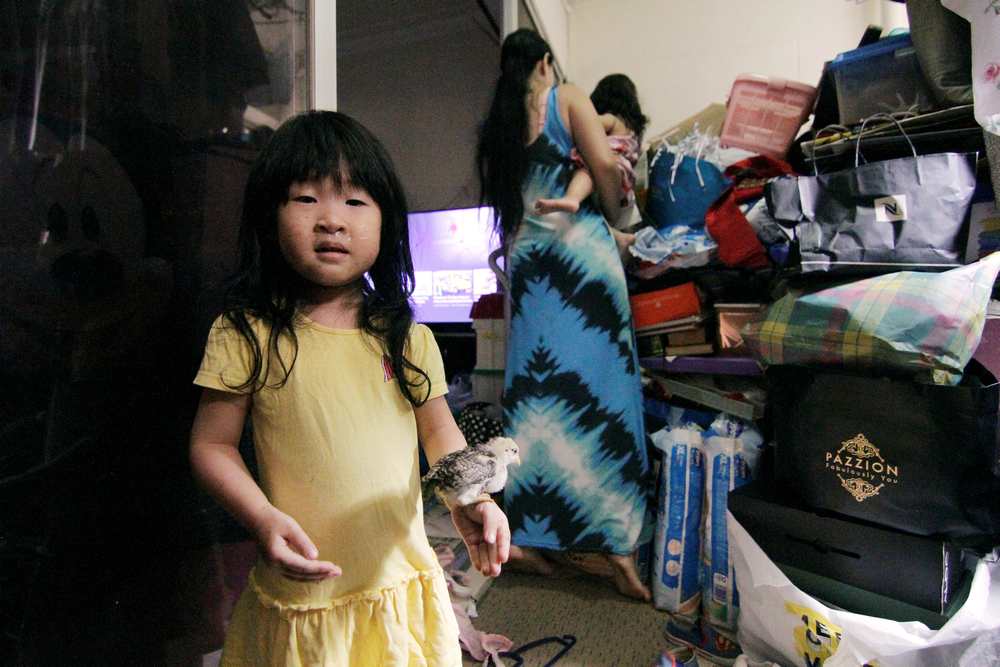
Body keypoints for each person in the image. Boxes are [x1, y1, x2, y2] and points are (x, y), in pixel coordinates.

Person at [189, 110, 510, 666]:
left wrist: (470, 498)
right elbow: (211, 445)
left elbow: (439, 431)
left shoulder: (406, 337)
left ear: (386, 223)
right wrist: (262, 519)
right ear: (270, 217)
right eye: (306, 199)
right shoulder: (247, 333)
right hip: (307, 592)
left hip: (399, 580)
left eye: (355, 201)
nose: (331, 220)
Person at [477, 29, 651, 601]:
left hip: (531, 268)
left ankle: (531, 535)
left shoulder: (499, 126)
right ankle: (618, 548)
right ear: (545, 63)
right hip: (580, 263)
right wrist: (617, 203)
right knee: (607, 400)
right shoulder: (569, 97)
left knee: (535, 399)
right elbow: (605, 174)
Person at [535, 73, 649, 235]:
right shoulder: (632, 129)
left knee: (586, 173)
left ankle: (572, 198)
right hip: (626, 191)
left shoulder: (611, 119)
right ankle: (621, 238)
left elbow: (589, 121)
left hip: (613, 167)